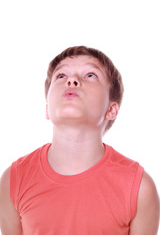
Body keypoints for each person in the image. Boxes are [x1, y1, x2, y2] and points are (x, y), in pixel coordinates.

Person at [0, 46, 159, 235]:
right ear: (47, 108)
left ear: (111, 109)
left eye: (90, 75)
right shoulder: (13, 180)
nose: (71, 80)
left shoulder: (140, 188)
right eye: (61, 76)